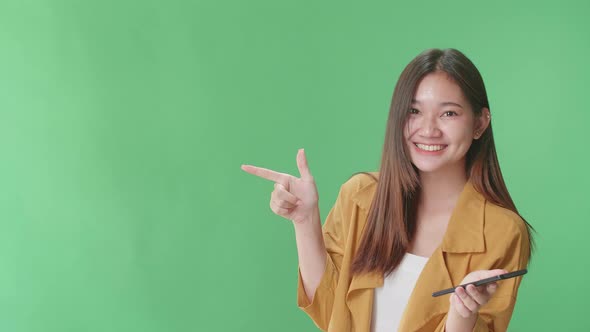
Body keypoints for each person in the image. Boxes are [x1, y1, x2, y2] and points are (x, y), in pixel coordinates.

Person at [241, 48, 534, 332]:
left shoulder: (502, 231)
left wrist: (463, 314)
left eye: (449, 114)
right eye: (414, 111)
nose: (428, 129)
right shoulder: (360, 197)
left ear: (480, 123)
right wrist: (304, 221)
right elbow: (330, 312)